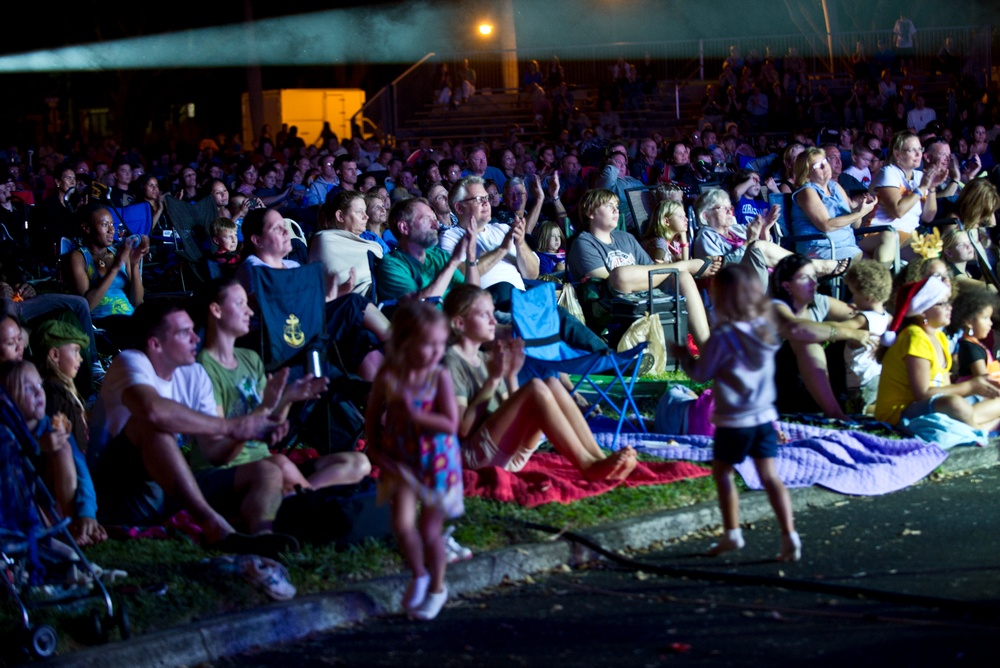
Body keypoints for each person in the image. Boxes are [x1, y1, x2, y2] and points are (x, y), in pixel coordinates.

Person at [88, 300, 297, 555]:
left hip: (169, 489)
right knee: (153, 426)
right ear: (156, 344)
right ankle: (215, 526)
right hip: (119, 491)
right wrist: (235, 426)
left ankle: (261, 538)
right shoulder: (131, 361)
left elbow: (216, 453)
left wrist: (249, 428)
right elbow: (153, 411)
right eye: (184, 333)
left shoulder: (195, 374)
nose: (195, 339)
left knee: (267, 471)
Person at [443, 284, 637, 481]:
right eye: (485, 315)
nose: (494, 321)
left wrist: (511, 376)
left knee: (552, 383)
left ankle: (598, 458)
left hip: (506, 451)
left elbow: (505, 409)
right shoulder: (451, 362)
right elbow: (463, 430)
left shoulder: (485, 358)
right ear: (459, 323)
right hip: (475, 457)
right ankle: (587, 466)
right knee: (536, 387)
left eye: (492, 313)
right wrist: (493, 380)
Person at [672, 264, 800, 562]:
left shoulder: (723, 337)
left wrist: (684, 357)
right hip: (764, 418)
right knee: (770, 477)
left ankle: (732, 533)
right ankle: (789, 535)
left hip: (733, 422)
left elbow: (701, 374)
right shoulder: (766, 333)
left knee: (723, 473)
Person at [195, 278, 370, 492]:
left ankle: (298, 499)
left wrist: (287, 398)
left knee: (357, 463)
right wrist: (265, 410)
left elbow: (266, 423)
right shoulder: (203, 367)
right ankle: (308, 502)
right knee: (280, 466)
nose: (250, 312)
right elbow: (218, 450)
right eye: (240, 304)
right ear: (216, 310)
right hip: (229, 471)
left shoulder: (250, 358)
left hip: (265, 461)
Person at [366, 300, 464, 620]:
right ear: (406, 341)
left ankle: (437, 588)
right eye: (429, 344)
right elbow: (370, 425)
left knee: (429, 530)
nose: (437, 351)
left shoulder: (439, 377)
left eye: (441, 343)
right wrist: (378, 452)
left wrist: (417, 416)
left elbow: (450, 424)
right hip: (400, 461)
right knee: (402, 524)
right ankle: (419, 574)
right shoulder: (388, 377)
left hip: (436, 463)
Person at [238, 208, 389, 381]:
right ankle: (401, 346)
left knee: (361, 337)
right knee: (354, 303)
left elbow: (310, 305)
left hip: (308, 327)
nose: (287, 231)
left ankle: (377, 400)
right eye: (277, 228)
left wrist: (338, 292)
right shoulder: (252, 267)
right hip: (280, 336)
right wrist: (327, 298)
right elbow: (277, 308)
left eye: (284, 225)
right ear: (257, 240)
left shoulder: (293, 265)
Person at [568, 188, 715, 349]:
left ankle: (708, 348)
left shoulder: (626, 238)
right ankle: (684, 266)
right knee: (620, 275)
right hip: (608, 304)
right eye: (609, 205)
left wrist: (669, 268)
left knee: (683, 277)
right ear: (591, 213)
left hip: (643, 294)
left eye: (617, 206)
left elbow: (651, 270)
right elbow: (605, 282)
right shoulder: (583, 242)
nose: (616, 210)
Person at [1, 359, 105, 547]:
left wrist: (87, 514)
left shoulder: (51, 427)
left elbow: (81, 471)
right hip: (18, 508)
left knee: (63, 448)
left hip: (51, 504)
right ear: (6, 399)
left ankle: (75, 526)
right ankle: (58, 535)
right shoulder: (5, 433)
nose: (38, 392)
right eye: (27, 388)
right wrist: (36, 446)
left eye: (39, 384)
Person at [875, 276, 1000, 430]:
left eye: (949, 302)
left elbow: (945, 387)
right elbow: (923, 393)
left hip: (932, 407)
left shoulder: (939, 337)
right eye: (942, 304)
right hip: (899, 412)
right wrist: (971, 386)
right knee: (954, 404)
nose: (950, 308)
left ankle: (974, 427)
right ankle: (980, 429)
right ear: (923, 312)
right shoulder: (915, 336)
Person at [772, 254, 876, 420]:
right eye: (805, 278)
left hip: (809, 386)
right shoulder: (775, 307)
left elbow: (866, 317)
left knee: (862, 329)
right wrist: (848, 332)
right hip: (776, 384)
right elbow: (796, 329)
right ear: (786, 285)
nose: (813, 282)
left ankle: (865, 399)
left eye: (814, 276)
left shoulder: (818, 302)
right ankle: (835, 413)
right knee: (807, 342)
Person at [789, 147, 892, 262]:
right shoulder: (807, 192)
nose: (825, 166)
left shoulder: (835, 187)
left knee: (889, 237)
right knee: (872, 264)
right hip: (822, 248)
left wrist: (860, 207)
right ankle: (877, 275)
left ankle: (877, 275)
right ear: (806, 175)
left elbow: (854, 224)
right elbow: (826, 225)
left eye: (825, 161)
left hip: (847, 243)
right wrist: (859, 213)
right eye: (818, 166)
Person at [67, 204, 149, 345]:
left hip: (130, 317)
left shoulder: (119, 253)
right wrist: (115, 268)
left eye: (112, 224)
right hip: (102, 321)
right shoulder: (79, 257)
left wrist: (135, 264)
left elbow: (136, 301)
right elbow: (87, 306)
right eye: (105, 225)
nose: (112, 230)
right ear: (87, 228)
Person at [376, 197, 479, 303]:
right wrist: (453, 262)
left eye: (435, 219)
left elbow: (473, 294)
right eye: (426, 219)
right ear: (404, 228)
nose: (436, 225)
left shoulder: (438, 255)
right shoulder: (391, 265)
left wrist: (471, 256)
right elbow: (417, 308)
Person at [872, 132, 947, 257]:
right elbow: (898, 211)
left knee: (947, 249)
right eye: (912, 150)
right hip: (883, 233)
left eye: (920, 149)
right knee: (929, 252)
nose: (918, 154)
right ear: (897, 154)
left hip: (910, 234)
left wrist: (932, 188)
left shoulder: (920, 176)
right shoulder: (888, 172)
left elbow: (928, 217)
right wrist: (922, 188)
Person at [842, 260, 893, 411]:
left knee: (859, 411)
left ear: (867, 297)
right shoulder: (888, 318)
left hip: (862, 380)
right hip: (879, 375)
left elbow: (840, 329)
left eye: (854, 294)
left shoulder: (863, 319)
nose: (853, 299)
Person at [949, 287, 999, 382]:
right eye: (985, 318)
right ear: (969, 322)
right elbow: (984, 380)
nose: (990, 323)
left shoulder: (975, 345)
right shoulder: (970, 348)